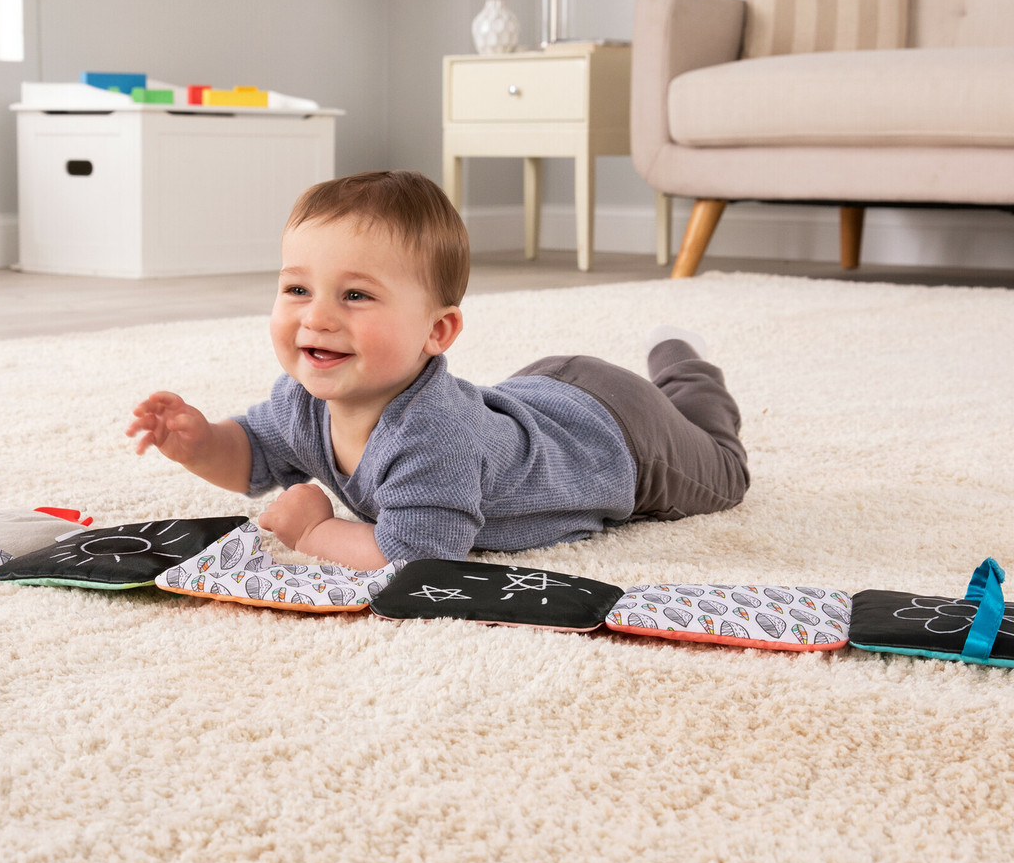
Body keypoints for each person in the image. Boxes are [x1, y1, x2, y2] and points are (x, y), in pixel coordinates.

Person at [126, 170, 749, 569]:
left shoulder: (432, 438)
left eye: (355, 296)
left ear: (436, 331)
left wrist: (314, 533)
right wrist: (200, 441)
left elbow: (417, 554)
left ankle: (683, 365)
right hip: (538, 394)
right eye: (296, 289)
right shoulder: (301, 400)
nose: (315, 319)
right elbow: (253, 455)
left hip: (623, 440)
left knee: (724, 471)